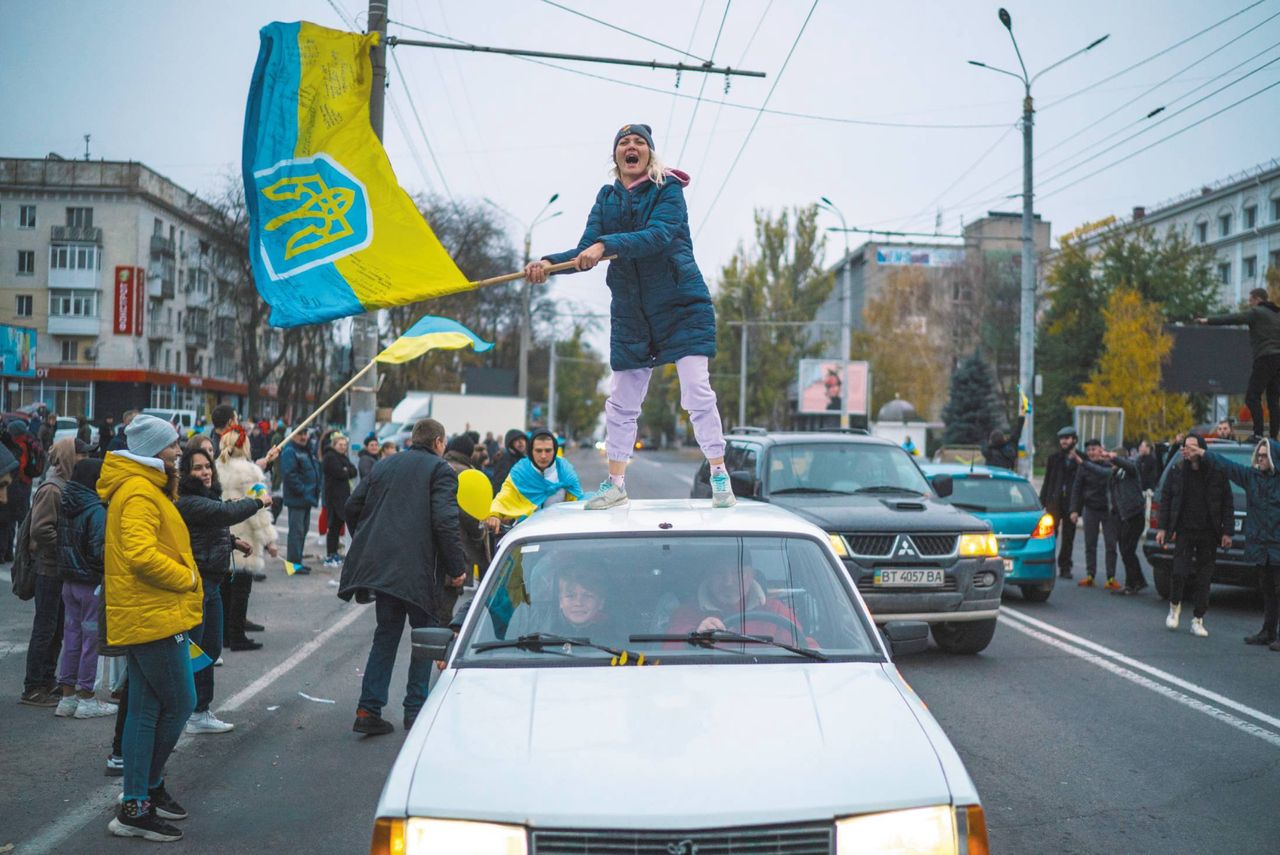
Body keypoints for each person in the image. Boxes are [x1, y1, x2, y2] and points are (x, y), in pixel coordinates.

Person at [526, 123, 735, 510]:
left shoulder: (667, 190)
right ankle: (616, 484)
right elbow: (586, 251)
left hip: (681, 305)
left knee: (696, 392)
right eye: (624, 142)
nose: (631, 146)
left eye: (639, 142)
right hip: (632, 313)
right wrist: (548, 264)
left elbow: (657, 236)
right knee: (621, 402)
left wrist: (606, 245)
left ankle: (719, 473)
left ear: (650, 154)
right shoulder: (606, 199)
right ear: (616, 156)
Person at [98, 414, 200, 842]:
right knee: (180, 702)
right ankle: (139, 799)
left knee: (145, 710)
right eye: (174, 444)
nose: (180, 451)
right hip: (152, 616)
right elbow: (141, 555)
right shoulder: (139, 492)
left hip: (150, 614)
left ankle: (142, 797)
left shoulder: (143, 486)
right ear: (156, 450)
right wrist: (187, 577)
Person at [338, 418, 467, 735]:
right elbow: (445, 522)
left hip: (384, 569)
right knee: (425, 640)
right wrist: (457, 567)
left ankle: (368, 709)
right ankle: (415, 711)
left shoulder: (385, 465)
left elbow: (352, 505)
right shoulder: (441, 471)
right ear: (438, 442)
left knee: (385, 635)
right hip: (421, 571)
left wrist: (368, 539)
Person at [175, 439, 271, 733]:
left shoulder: (207, 495)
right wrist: (258, 502)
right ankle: (190, 710)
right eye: (197, 468)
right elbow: (223, 514)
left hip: (213, 582)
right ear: (185, 472)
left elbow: (211, 526)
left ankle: (199, 710)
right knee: (197, 650)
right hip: (198, 583)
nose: (205, 472)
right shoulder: (189, 500)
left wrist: (232, 541)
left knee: (211, 647)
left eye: (207, 466)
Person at [1188, 438, 1280, 650]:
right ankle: (1268, 631)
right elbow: (1226, 465)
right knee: (1267, 590)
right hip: (1262, 546)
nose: (1261, 458)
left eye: (1265, 455)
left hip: (1277, 544)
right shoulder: (1252, 477)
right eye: (1259, 455)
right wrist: (1203, 453)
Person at [21, 438, 87, 707]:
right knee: (45, 629)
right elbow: (40, 531)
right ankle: (33, 686)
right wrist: (67, 546)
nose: (84, 458)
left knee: (57, 628)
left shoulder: (68, 485)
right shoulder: (52, 489)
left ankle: (48, 680)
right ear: (68, 456)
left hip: (60, 569)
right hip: (49, 570)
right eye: (80, 454)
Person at [53, 457, 113, 719]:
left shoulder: (67, 503)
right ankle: (86, 697)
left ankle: (66, 697)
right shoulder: (96, 510)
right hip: (91, 585)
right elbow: (99, 550)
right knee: (91, 641)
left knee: (72, 639)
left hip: (69, 582)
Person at [1156, 434, 1232, 637]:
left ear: (1202, 449)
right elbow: (1166, 498)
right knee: (1179, 571)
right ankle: (1174, 607)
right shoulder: (1178, 469)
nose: (1187, 450)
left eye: (1192, 447)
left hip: (1209, 531)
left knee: (1204, 578)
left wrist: (1227, 532)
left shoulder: (1216, 470)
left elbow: (1227, 502)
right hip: (1184, 530)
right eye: (1185, 446)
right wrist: (1163, 528)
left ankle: (1198, 619)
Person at [217, 425, 278, 650]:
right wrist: (269, 540)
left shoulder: (217, 467)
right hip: (244, 534)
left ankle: (223, 635)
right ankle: (237, 635)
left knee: (224, 588)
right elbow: (259, 508)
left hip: (224, 533)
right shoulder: (250, 472)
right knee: (241, 590)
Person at [1198, 288, 1280, 440]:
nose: (1249, 304)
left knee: (1252, 396)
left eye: (1250, 301)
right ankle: (1274, 437)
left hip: (1265, 357)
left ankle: (1258, 433)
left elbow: (1234, 318)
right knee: (1273, 400)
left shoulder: (1257, 312)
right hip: (1278, 359)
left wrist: (1208, 320)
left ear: (1257, 299)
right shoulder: (1277, 314)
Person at [666, 557, 803, 643]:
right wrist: (694, 635)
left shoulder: (775, 610)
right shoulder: (687, 612)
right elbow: (667, 649)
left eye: (738, 573)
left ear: (751, 576)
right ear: (709, 577)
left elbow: (806, 647)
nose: (728, 582)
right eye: (719, 573)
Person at [1081, 447, 1149, 595]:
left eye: (1113, 459)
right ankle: (1136, 582)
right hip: (1124, 517)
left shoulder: (1131, 470)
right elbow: (1101, 471)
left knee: (1127, 550)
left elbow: (1128, 465)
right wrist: (1084, 461)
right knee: (1126, 550)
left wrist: (1113, 457)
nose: (1109, 462)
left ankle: (1134, 583)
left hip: (1135, 516)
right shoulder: (1115, 474)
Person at [487, 429, 584, 531]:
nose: (543, 456)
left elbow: (577, 502)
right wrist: (494, 515)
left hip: (559, 533)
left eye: (548, 450)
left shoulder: (565, 471)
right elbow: (504, 496)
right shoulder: (520, 471)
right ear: (531, 451)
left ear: (555, 451)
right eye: (538, 451)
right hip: (527, 534)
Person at [1071, 439, 1120, 590]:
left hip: (1108, 510)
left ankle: (1111, 577)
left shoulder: (1109, 465)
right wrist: (1073, 510)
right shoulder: (1083, 468)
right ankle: (1090, 575)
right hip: (1090, 509)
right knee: (1090, 544)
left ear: (1101, 449)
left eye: (1094, 449)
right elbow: (1077, 489)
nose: (1092, 452)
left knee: (1111, 544)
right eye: (1089, 450)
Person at [443, 434, 491, 586]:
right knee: (461, 598)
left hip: (441, 542)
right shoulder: (467, 474)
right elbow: (470, 514)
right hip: (463, 543)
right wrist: (479, 533)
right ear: (469, 452)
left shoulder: (440, 466)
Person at [1040, 426, 1082, 579]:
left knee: (1069, 536)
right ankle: (1047, 564)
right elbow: (1047, 481)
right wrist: (1041, 503)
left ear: (1074, 440)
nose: (1063, 441)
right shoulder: (1054, 458)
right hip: (1054, 503)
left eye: (1067, 438)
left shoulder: (1081, 459)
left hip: (1072, 504)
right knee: (1050, 534)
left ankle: (1065, 567)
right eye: (1061, 438)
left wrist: (1078, 507)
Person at [280, 427, 320, 575]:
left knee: (303, 531)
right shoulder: (291, 451)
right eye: (300, 434)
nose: (303, 437)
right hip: (298, 499)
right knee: (297, 532)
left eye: (305, 434)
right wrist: (303, 491)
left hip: (306, 498)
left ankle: (297, 561)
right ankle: (293, 564)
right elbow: (290, 475)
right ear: (292, 435)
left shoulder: (306, 449)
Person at [321, 432, 357, 567]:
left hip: (343, 496)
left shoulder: (343, 457)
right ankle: (330, 554)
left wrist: (346, 470)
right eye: (340, 445)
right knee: (333, 527)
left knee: (338, 526)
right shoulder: (330, 457)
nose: (343, 447)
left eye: (345, 445)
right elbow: (339, 473)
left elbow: (354, 471)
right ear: (334, 445)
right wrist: (345, 471)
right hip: (333, 497)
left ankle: (334, 552)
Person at [489, 428, 527, 494]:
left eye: (522, 439)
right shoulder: (505, 459)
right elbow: (498, 484)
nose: (520, 442)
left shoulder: (525, 460)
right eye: (516, 440)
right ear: (510, 443)